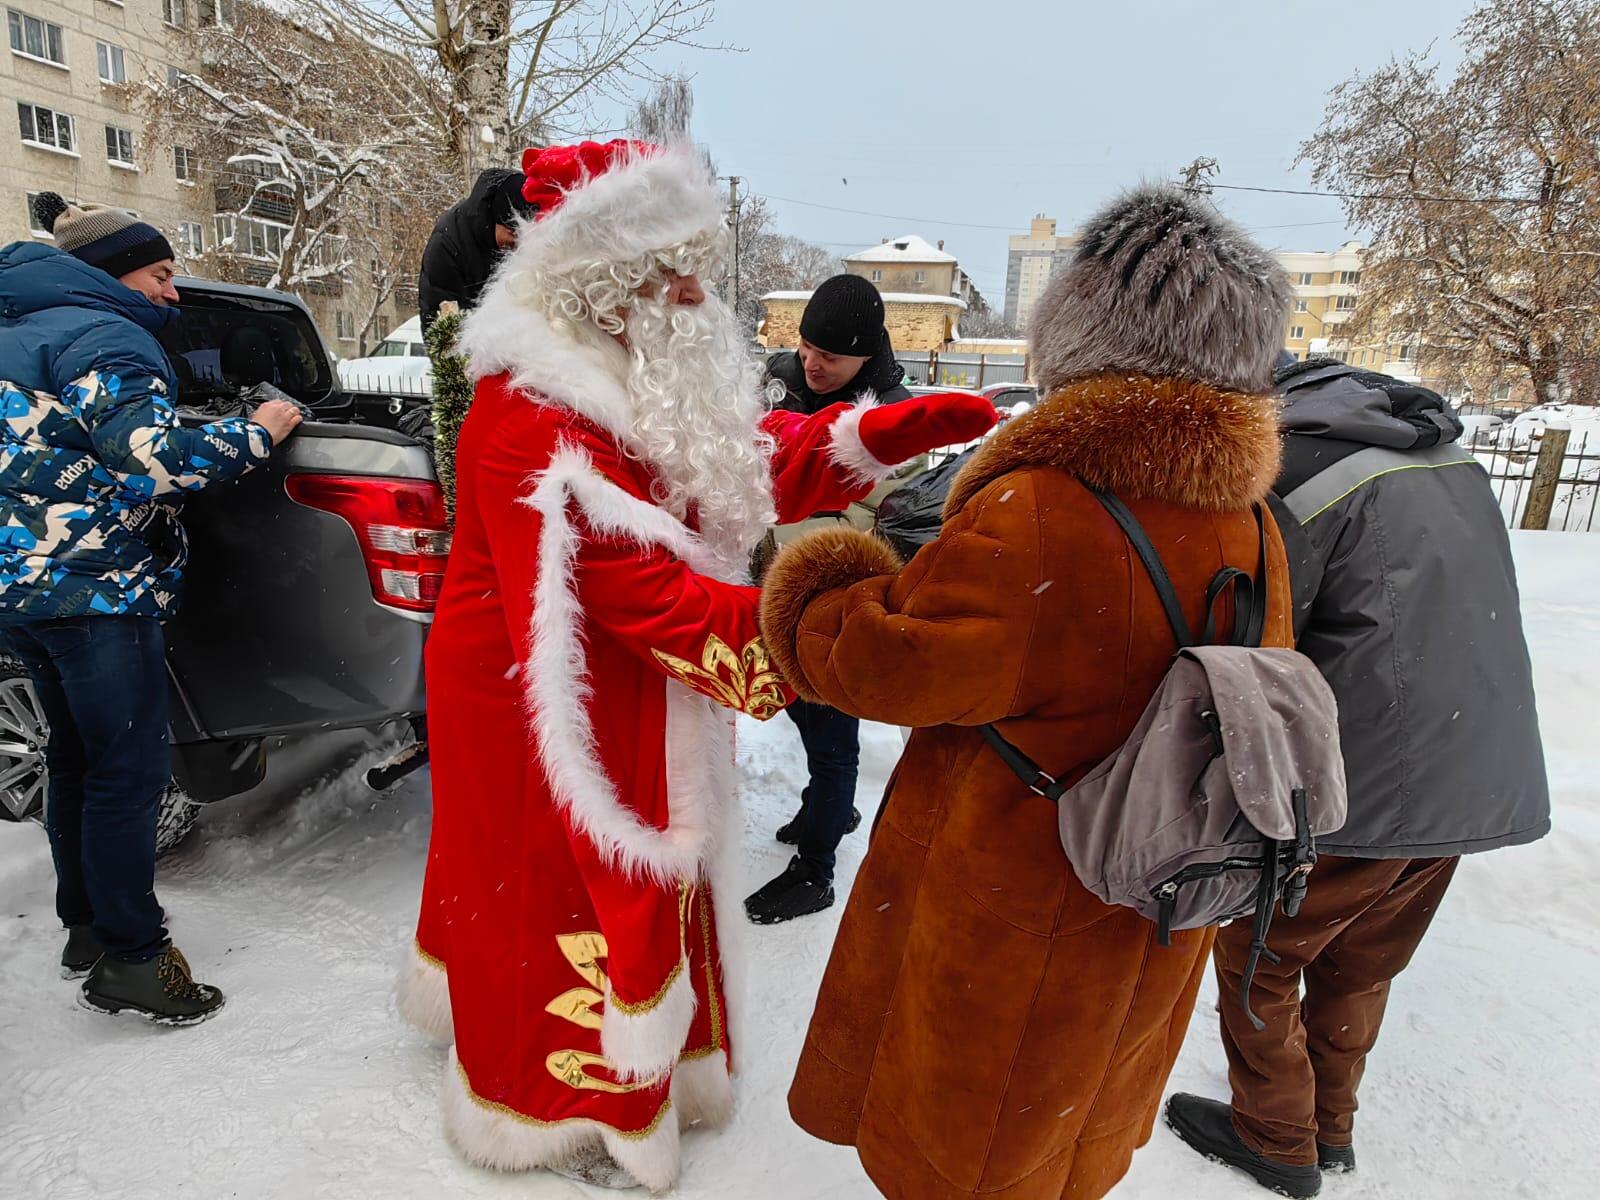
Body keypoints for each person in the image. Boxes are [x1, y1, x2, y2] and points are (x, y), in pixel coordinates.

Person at [393, 140, 995, 1192]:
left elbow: (727, 461)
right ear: (602, 280)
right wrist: (825, 635)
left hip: (616, 673)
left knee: (628, 879)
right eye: (674, 273)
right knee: (567, 894)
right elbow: (636, 585)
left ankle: (627, 1069)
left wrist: (870, 437)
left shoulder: (626, 369)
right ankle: (561, 1104)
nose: (695, 294)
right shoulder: (533, 409)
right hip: (545, 704)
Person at [758, 185, 1293, 1200]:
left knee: (970, 1144)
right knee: (1060, 1127)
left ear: (1084, 330)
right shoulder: (1248, 517)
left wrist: (817, 581)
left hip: (1015, 894)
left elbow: (889, 665)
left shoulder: (1045, 507)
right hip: (1151, 889)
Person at [1165, 358, 1550, 1198]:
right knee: (1361, 961)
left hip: (1371, 772)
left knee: (1261, 952)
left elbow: (1260, 630)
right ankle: (1328, 1128)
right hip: (1476, 761)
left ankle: (1274, 1137)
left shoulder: (1298, 472)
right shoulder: (1446, 455)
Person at [0, 195, 302, 1024]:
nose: (172, 293)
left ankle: (87, 928)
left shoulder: (19, 330)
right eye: (161, 274)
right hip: (97, 589)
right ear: (109, 273)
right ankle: (136, 957)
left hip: (21, 588)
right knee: (127, 771)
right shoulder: (103, 333)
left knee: (75, 759)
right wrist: (260, 427)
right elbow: (153, 461)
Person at [745, 274, 914, 925]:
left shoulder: (887, 419)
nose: (813, 363)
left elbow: (884, 522)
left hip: (832, 604)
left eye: (831, 356)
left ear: (864, 359)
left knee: (832, 735)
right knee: (794, 708)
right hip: (773, 588)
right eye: (808, 346)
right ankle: (833, 806)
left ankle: (816, 869)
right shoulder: (783, 379)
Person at [417, 168, 536, 329]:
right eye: (513, 232)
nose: (518, 242)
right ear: (496, 218)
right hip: (469, 342)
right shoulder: (447, 243)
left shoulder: (519, 244)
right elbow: (441, 325)